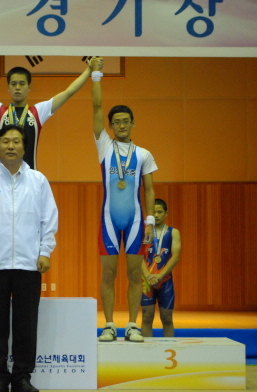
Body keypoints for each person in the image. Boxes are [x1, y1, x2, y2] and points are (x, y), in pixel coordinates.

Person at [0, 124, 58, 392]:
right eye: (5, 141)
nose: (10, 146)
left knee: (26, 325)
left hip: (29, 263)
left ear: (25, 148)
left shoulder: (38, 180)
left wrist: (45, 250)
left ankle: (22, 377)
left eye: (16, 141)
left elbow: (49, 218)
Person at [91, 59, 157, 343]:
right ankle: (108, 325)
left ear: (133, 124)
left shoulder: (143, 154)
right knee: (108, 274)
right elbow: (96, 106)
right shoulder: (104, 146)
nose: (121, 125)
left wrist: (150, 222)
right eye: (116, 122)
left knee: (133, 274)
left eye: (125, 121)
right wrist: (96, 74)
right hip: (109, 220)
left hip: (135, 222)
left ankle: (132, 325)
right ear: (110, 126)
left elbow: (149, 190)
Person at [0, 54, 98, 170]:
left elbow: (69, 92)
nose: (17, 87)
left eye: (22, 84)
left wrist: (89, 70)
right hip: (3, 178)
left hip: (30, 178)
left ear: (29, 87)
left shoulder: (38, 112)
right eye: (13, 84)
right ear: (8, 87)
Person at [141, 199, 181, 337]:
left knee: (167, 318)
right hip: (146, 281)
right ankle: (146, 349)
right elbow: (137, 256)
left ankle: (169, 348)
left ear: (166, 213)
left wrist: (160, 275)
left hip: (165, 281)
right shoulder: (143, 233)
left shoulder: (173, 233)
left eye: (159, 212)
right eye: (153, 212)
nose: (156, 215)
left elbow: (175, 257)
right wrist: (147, 276)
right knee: (146, 317)